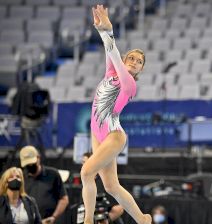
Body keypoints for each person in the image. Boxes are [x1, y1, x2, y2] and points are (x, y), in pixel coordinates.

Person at [80, 5, 151, 224]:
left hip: (113, 135)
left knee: (85, 173)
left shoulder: (129, 84)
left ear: (140, 70)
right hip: (96, 131)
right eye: (132, 58)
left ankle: (88, 221)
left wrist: (108, 31)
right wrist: (103, 31)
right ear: (126, 59)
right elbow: (109, 51)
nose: (135, 62)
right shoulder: (111, 72)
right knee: (111, 186)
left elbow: (113, 52)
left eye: (139, 62)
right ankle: (142, 219)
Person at [19, 145, 69, 224]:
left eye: (32, 163)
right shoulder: (21, 178)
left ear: (38, 158)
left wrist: (54, 217)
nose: (30, 166)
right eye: (27, 164)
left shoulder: (53, 174)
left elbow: (63, 199)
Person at [82, 152, 124, 224]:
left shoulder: (104, 180)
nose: (84, 165)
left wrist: (106, 219)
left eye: (86, 162)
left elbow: (119, 208)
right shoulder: (85, 180)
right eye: (83, 162)